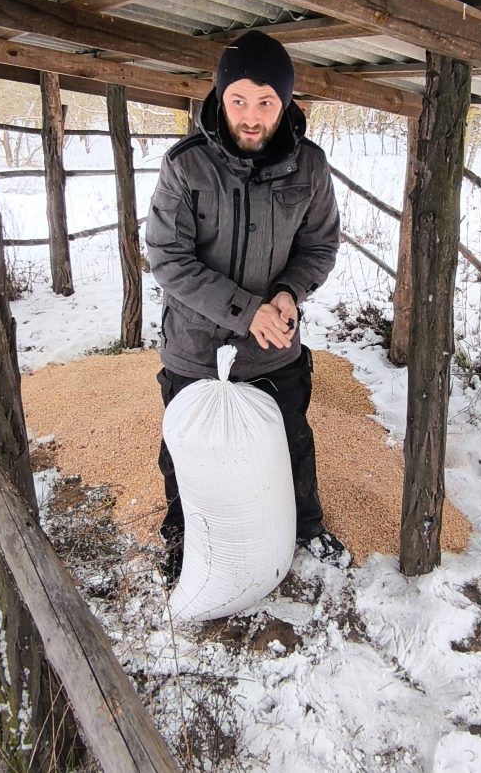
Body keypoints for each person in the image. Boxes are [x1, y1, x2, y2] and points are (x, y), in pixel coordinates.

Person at [145, 30, 348, 585]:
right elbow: (166, 255)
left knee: (290, 438)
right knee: (186, 448)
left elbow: (320, 246)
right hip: (194, 344)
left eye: (266, 102)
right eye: (239, 100)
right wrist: (243, 310)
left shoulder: (309, 166)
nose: (251, 116)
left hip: (273, 343)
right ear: (219, 97)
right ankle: (186, 533)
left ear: (285, 104)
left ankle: (305, 525)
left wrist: (288, 294)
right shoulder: (186, 166)